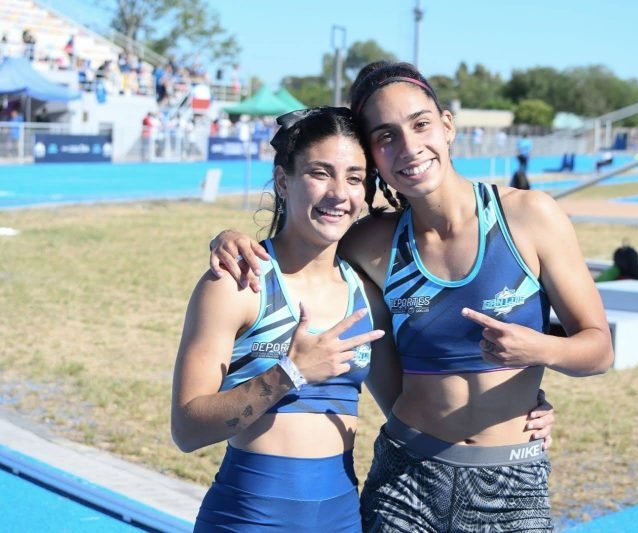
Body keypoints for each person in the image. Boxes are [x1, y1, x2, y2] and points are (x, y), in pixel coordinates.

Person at [210, 61, 608, 531]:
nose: (409, 147)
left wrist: (541, 349)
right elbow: (296, 240)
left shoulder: (529, 217)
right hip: (406, 479)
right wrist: (230, 237)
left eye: (420, 124)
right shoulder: (371, 243)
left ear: (447, 126)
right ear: (374, 158)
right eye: (386, 137)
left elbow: (598, 348)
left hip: (511, 480)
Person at [173, 107, 397, 531]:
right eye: (320, 173)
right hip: (247, 520)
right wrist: (290, 374)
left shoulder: (366, 295)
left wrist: (514, 415)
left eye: (354, 177)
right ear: (282, 181)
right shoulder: (237, 283)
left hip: (342, 520)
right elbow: (186, 430)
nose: (339, 193)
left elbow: (405, 409)